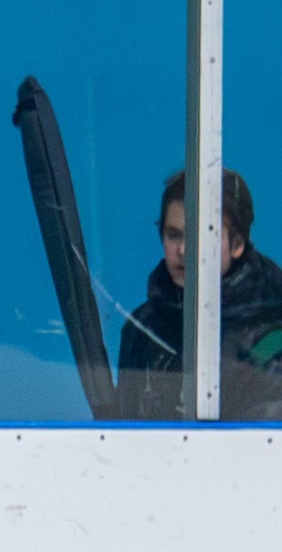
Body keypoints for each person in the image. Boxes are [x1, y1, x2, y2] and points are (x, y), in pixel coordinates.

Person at [115, 168, 282, 421]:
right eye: (174, 235)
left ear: (237, 243)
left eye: (200, 236)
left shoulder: (273, 333)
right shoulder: (140, 329)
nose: (182, 250)